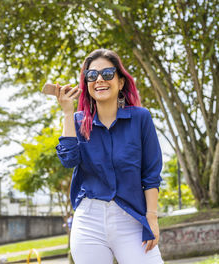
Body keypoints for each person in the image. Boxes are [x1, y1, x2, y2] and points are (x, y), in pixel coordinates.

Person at [55, 48, 164, 264]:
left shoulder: (140, 118)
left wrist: (152, 217)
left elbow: (151, 173)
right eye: (92, 75)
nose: (99, 80)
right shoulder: (77, 122)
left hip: (131, 218)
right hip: (89, 219)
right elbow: (68, 159)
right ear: (86, 84)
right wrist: (68, 113)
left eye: (107, 73)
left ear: (121, 81)